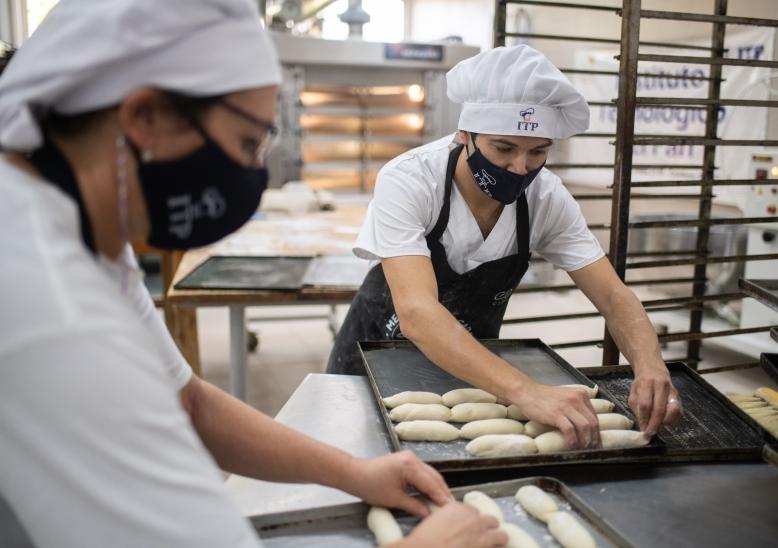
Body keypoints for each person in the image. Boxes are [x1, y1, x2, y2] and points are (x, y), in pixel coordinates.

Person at [0, 2, 508, 547]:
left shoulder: (75, 222)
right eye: (247, 144)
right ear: (145, 116)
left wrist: (354, 471)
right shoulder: (43, 295)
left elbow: (189, 402)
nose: (252, 174)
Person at [328, 45, 683, 450]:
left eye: (537, 152)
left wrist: (650, 365)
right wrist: (526, 391)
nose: (520, 168)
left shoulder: (547, 199)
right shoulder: (411, 180)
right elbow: (418, 313)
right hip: (371, 357)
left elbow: (612, 295)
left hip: (473, 368)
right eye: (503, 148)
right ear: (466, 135)